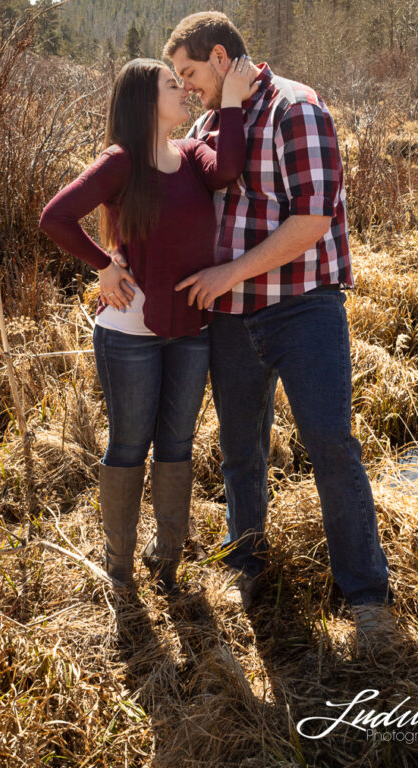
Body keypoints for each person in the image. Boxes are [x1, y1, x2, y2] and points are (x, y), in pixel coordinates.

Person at [161, 12, 394, 648]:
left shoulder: (297, 109)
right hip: (231, 318)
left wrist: (229, 271)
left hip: (302, 308)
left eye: (188, 74)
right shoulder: (215, 122)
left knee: (329, 444)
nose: (187, 90)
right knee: (241, 451)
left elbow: (313, 220)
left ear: (217, 56)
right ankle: (246, 565)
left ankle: (367, 595)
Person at [39, 56, 257, 593]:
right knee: (131, 442)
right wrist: (105, 266)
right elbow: (55, 218)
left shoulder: (191, 155)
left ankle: (169, 560)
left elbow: (228, 169)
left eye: (181, 81)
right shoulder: (121, 162)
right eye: (170, 83)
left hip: (191, 330)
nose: (182, 89)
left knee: (178, 442)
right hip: (129, 331)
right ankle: (118, 569)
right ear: (144, 100)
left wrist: (230, 102)